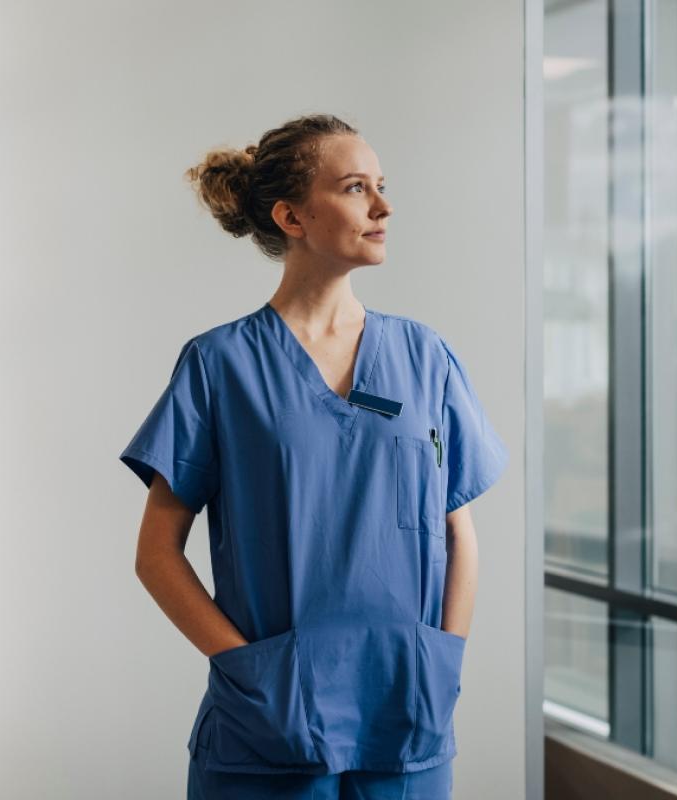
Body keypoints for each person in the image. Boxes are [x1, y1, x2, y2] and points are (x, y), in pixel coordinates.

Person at [120, 113, 509, 800]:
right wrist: (250, 674)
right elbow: (156, 553)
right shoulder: (220, 365)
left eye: (382, 186)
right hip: (266, 731)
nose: (383, 206)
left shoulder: (426, 358)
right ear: (292, 216)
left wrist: (443, 661)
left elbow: (458, 530)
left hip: (408, 719)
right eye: (357, 187)